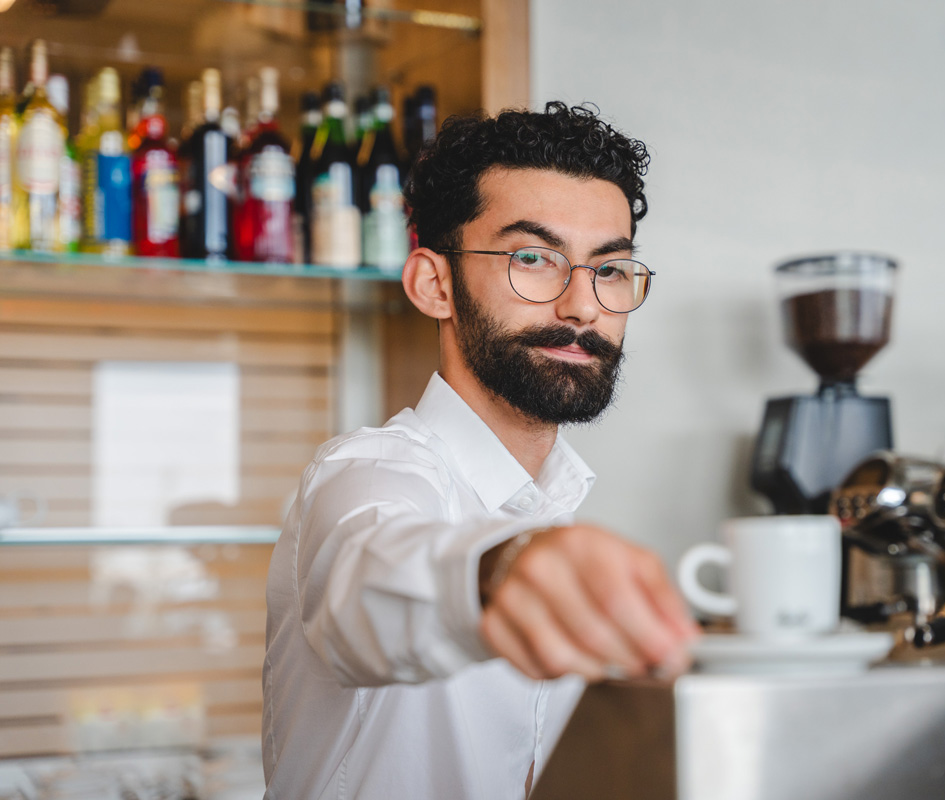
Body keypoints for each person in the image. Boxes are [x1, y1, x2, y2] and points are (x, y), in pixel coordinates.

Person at [261, 102, 699, 800]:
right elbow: (363, 580)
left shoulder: (557, 504)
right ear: (434, 285)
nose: (583, 306)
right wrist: (501, 570)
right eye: (532, 258)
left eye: (610, 269)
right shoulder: (366, 473)